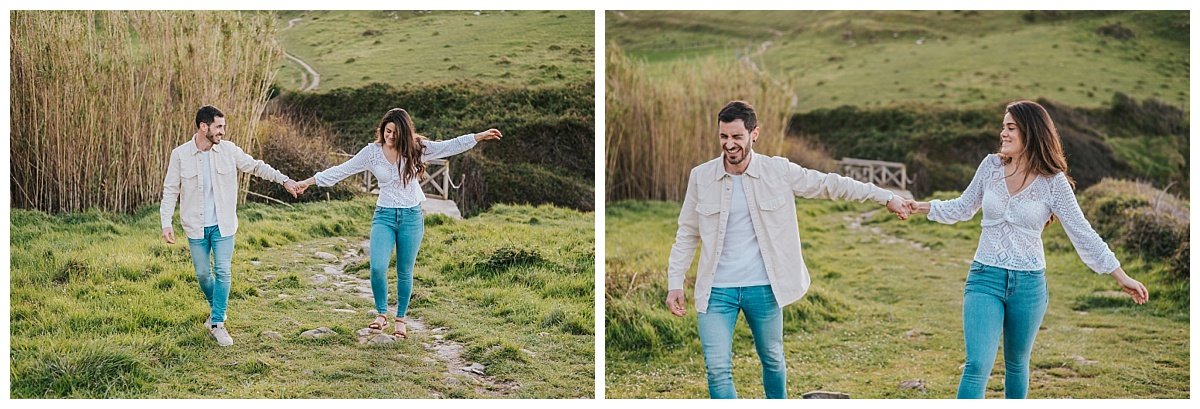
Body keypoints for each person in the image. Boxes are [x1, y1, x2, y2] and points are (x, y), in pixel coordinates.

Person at [665, 100, 912, 398]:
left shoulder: (778, 170)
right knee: (717, 368)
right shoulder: (701, 176)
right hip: (716, 290)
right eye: (723, 137)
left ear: (754, 134)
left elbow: (831, 185)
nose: (729, 145)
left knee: (772, 359)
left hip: (764, 287)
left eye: (736, 137)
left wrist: (885, 197)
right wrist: (674, 282)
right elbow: (687, 233)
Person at [908, 100, 1149, 399]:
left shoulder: (1053, 183)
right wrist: (921, 206)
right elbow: (963, 206)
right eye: (1003, 127)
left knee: (1017, 364)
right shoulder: (991, 167)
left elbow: (1081, 231)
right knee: (977, 364)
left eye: (1011, 128)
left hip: (1029, 285)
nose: (1003, 134)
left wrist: (1120, 275)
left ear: (1030, 132)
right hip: (985, 277)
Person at [295, 108, 501, 339]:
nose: (390, 136)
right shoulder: (371, 152)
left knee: (405, 271)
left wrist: (477, 136)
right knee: (377, 267)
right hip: (384, 215)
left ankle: (401, 319)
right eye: (387, 131)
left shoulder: (416, 148)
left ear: (405, 133)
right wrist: (308, 182)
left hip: (411, 217)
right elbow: (342, 170)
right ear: (382, 129)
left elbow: (448, 146)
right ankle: (381, 314)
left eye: (395, 133)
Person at [161, 104, 303, 347]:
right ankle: (218, 309)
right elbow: (171, 189)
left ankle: (217, 323)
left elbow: (257, 166)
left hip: (224, 226)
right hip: (195, 227)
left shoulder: (228, 151)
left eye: (223, 127)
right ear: (203, 126)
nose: (222, 132)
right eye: (218, 127)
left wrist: (285, 180)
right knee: (204, 275)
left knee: (224, 271)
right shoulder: (180, 155)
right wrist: (166, 223)